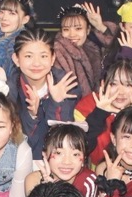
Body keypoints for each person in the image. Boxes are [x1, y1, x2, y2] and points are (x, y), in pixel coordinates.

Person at [6, 28, 79, 160]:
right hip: (22, 162)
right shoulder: (8, 91)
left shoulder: (67, 86)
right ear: (16, 59)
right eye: (28, 56)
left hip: (61, 163)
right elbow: (17, 144)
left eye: (43, 56)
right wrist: (31, 115)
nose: (36, 63)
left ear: (53, 58)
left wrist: (57, 103)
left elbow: (65, 140)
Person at [53, 3, 115, 98]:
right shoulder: (58, 53)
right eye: (66, 29)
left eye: (78, 28)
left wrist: (101, 27)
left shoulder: (93, 49)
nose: (72, 34)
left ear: (88, 30)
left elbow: (116, 47)